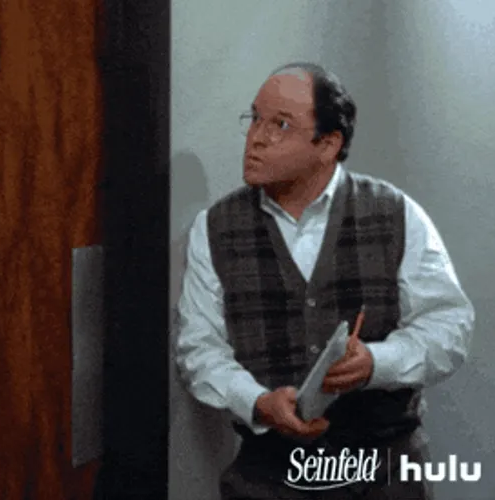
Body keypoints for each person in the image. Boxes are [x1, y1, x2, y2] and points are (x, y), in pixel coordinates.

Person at [172, 62, 474, 499]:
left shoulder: (395, 213)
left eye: (280, 125)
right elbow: (199, 347)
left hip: (383, 475)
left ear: (328, 144)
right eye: (254, 118)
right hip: (267, 479)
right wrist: (257, 402)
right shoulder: (215, 227)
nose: (256, 137)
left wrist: (376, 362)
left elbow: (450, 326)